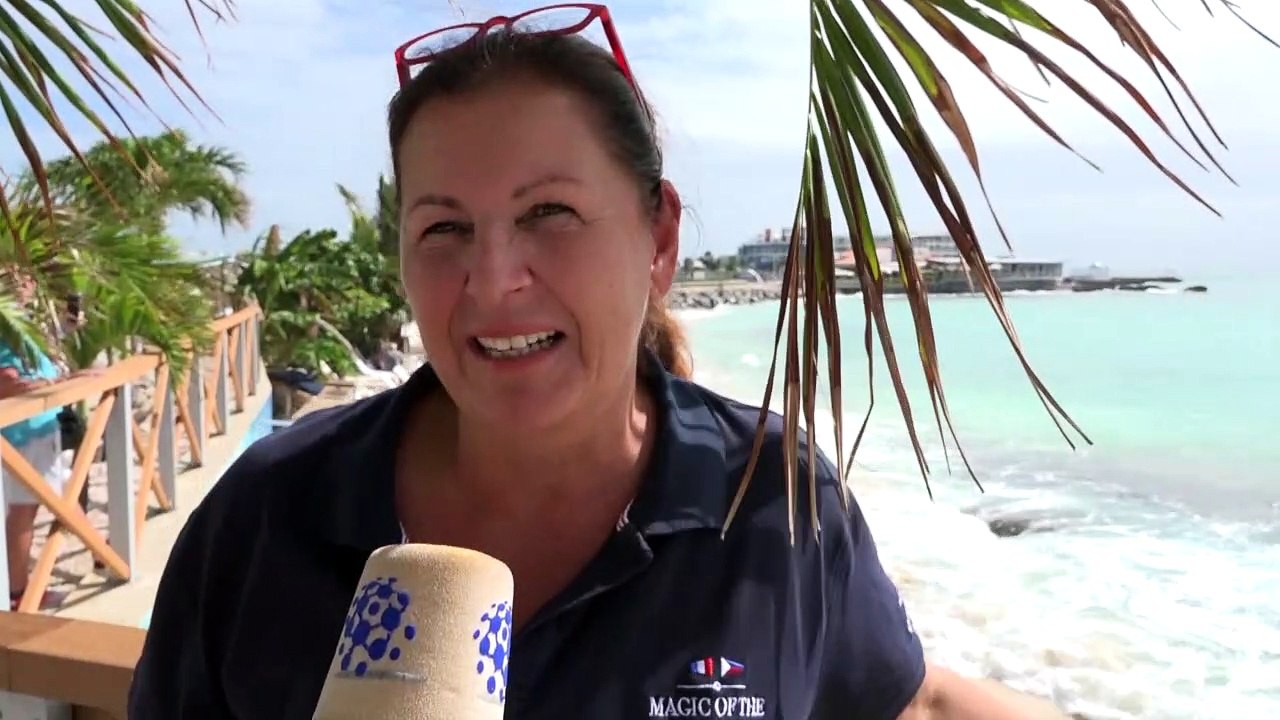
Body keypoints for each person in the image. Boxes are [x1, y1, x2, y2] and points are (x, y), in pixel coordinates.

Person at [130, 7, 1049, 719]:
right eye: (444, 228)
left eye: (549, 215)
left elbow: (902, 699)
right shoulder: (268, 516)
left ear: (658, 238)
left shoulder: (772, 504)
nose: (493, 282)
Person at [0, 276, 72, 611]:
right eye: (17, 279)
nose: (27, 285)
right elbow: (8, 382)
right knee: (24, 512)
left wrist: (62, 380)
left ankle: (101, 550)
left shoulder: (21, 325)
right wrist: (53, 384)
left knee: (53, 499)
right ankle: (20, 593)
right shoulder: (5, 326)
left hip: (41, 429)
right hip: (24, 433)